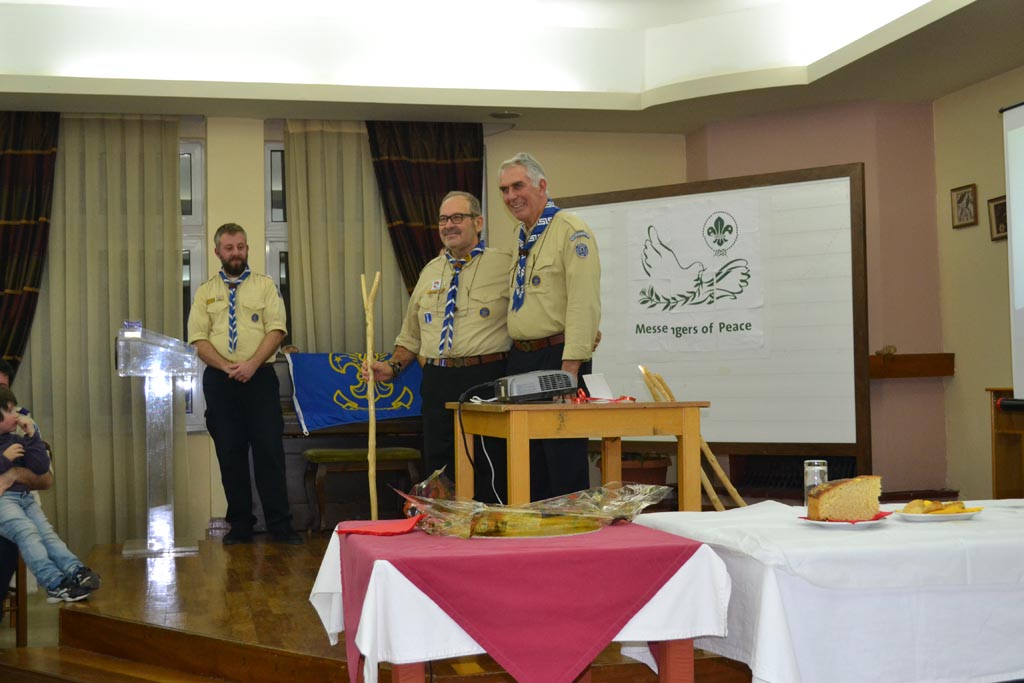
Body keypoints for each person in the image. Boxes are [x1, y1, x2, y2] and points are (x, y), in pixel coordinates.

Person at [366, 191, 512, 503]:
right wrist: (392, 366)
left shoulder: (505, 265)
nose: (448, 225)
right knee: (439, 466)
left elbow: (531, 315)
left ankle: (489, 525)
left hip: (485, 378)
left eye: (457, 217)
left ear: (478, 222)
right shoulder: (429, 271)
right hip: (437, 380)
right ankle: (444, 525)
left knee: (489, 463)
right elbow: (411, 336)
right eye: (443, 219)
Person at [186, 223, 301, 545]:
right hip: (220, 382)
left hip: (260, 379)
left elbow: (276, 330)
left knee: (269, 453)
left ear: (247, 248)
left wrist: (251, 364)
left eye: (241, 246)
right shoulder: (205, 292)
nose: (236, 253)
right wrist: (227, 367)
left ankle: (280, 526)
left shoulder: (265, 287)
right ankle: (240, 525)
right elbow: (197, 338)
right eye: (229, 248)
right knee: (230, 454)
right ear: (217, 252)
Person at [498, 152, 601, 500]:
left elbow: (583, 301)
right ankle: (534, 531)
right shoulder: (520, 236)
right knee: (528, 462)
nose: (511, 196)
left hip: (559, 359)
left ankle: (571, 531)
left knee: (563, 460)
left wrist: (570, 369)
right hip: (522, 359)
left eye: (518, 186)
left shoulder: (571, 231)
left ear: (541, 186)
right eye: (504, 190)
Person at [0, 386, 101, 602]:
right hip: (3, 501)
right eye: (8, 411)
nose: (15, 414)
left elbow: (40, 468)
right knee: (28, 533)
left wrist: (32, 436)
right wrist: (5, 459)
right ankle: (54, 582)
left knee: (47, 535)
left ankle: (76, 570)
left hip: (25, 499)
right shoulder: (7, 449)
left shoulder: (16, 440)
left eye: (14, 409)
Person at [0, 359, 55, 609]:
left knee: (6, 544)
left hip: (12, 508)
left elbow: (46, 479)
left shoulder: (22, 422)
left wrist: (13, 474)